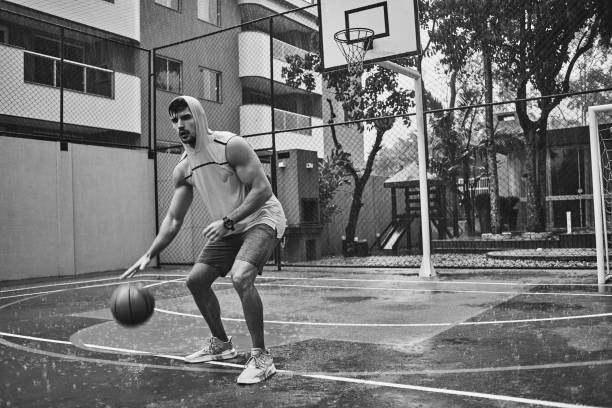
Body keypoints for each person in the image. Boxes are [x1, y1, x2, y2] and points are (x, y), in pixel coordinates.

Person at [121, 95, 286, 385]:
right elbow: (173, 219)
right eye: (174, 120)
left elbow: (261, 189)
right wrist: (149, 254)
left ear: (198, 116)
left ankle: (262, 357)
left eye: (185, 117)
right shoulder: (184, 168)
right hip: (230, 227)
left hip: (263, 217)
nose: (180, 124)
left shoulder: (230, 145)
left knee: (241, 277)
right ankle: (222, 345)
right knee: (195, 281)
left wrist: (227, 221)